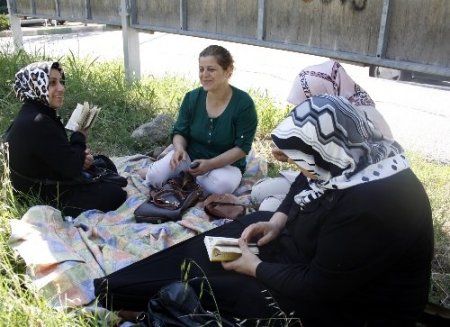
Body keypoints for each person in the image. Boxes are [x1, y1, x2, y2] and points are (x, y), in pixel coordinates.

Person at [95, 95, 433, 326]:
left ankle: (145, 298)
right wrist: (278, 219)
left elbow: (319, 285)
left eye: (307, 163)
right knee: (239, 233)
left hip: (356, 306)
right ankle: (120, 287)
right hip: (321, 255)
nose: (305, 171)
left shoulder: (374, 205)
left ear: (326, 152)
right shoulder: (354, 155)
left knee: (235, 284)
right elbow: (305, 179)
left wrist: (255, 268)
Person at [251, 59, 393, 211]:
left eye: (306, 102)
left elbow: (334, 173)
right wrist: (292, 156)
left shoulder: (352, 120)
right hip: (321, 181)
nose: (305, 109)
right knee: (258, 192)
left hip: (342, 194)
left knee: (269, 206)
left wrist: (295, 158)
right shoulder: (333, 113)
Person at [4, 61, 127, 217]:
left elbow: (56, 154)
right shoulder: (39, 121)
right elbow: (71, 168)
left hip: (47, 177)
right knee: (116, 194)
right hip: (46, 194)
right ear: (36, 85)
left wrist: (80, 158)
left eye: (61, 82)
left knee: (105, 162)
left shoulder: (33, 112)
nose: (61, 88)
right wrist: (80, 135)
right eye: (52, 83)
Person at [144, 45, 258, 195]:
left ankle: (185, 180)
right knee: (154, 178)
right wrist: (179, 149)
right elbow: (180, 132)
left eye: (211, 69)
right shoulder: (192, 97)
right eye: (201, 69)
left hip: (224, 165)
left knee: (220, 187)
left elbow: (242, 148)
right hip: (191, 157)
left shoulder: (244, 104)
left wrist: (210, 165)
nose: (204, 75)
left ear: (228, 71)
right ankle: (186, 179)